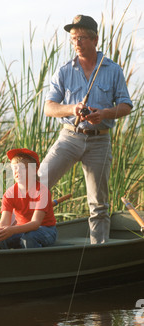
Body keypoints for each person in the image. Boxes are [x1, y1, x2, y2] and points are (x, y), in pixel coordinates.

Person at [39, 15, 133, 244]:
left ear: (95, 40)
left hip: (100, 141)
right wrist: (73, 108)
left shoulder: (113, 70)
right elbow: (49, 108)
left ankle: (98, 252)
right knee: (37, 183)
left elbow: (126, 105)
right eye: (73, 39)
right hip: (69, 138)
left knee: (99, 204)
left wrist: (104, 113)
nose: (77, 43)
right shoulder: (63, 71)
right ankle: (26, 236)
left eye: (81, 38)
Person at [0, 148, 57, 250]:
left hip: (46, 230)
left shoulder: (42, 191)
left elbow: (35, 224)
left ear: (35, 170)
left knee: (29, 237)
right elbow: (4, 222)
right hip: (20, 230)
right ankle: (0, 263)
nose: (18, 171)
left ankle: (31, 263)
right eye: (15, 168)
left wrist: (12, 230)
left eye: (23, 168)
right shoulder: (9, 194)